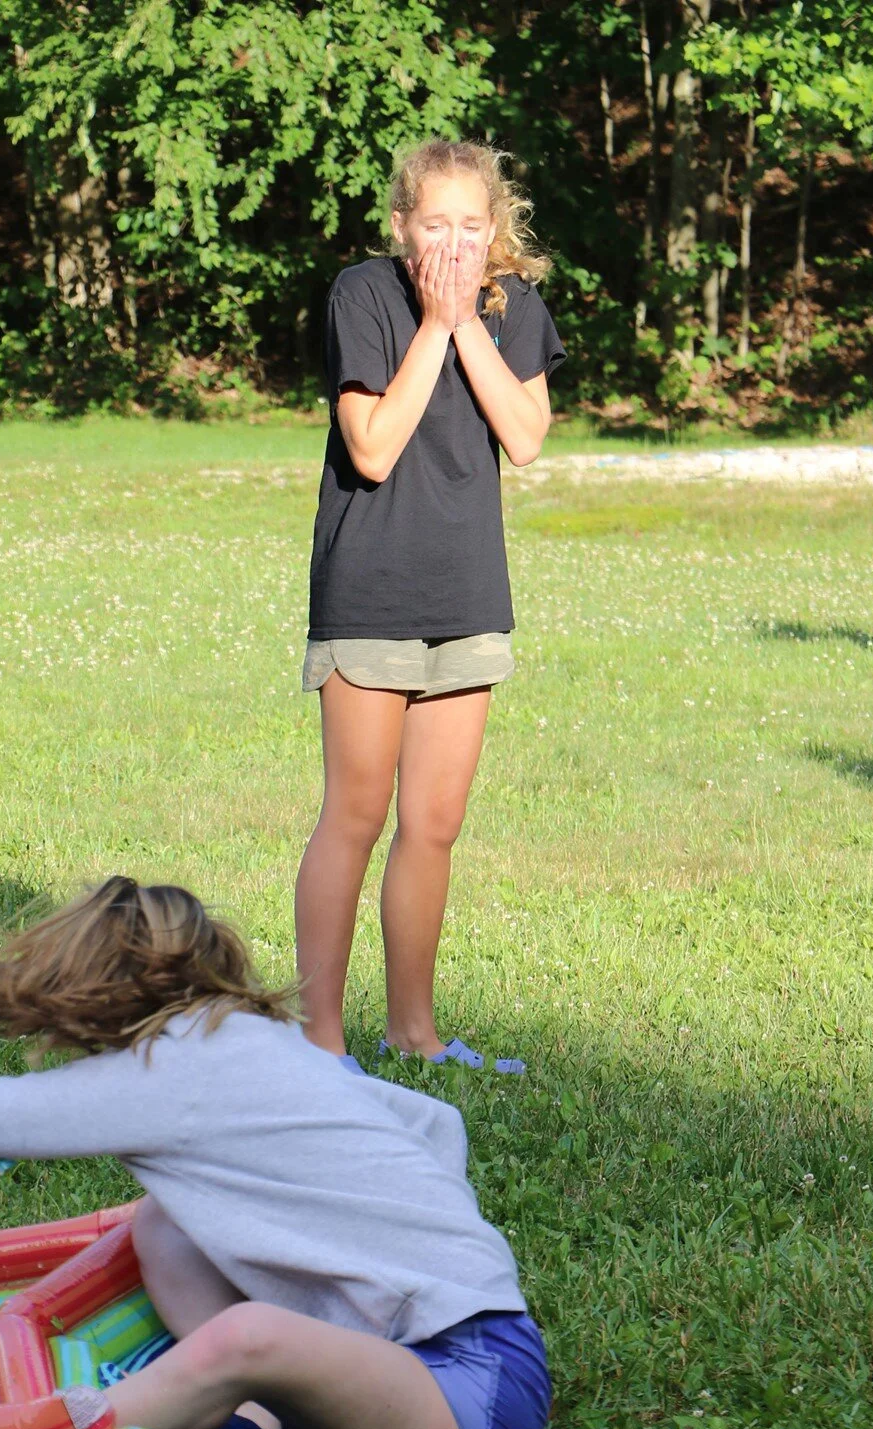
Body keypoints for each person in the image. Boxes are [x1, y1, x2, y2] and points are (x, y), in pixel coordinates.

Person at [0, 878, 550, 1429]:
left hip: (473, 1397)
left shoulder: (173, 1067)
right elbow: (435, 1121)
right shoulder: (254, 1039)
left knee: (247, 1336)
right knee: (165, 1227)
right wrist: (428, 1252)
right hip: (426, 1361)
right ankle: (259, 1416)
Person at [295, 138, 565, 1073]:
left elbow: (524, 437)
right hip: (369, 590)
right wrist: (433, 327)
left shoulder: (512, 306)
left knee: (434, 825)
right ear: (402, 225)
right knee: (355, 816)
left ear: (495, 230)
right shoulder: (363, 293)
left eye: (471, 225)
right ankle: (319, 1046)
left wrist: (466, 324)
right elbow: (371, 447)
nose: (453, 241)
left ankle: (414, 1033)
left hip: (466, 592)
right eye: (435, 224)